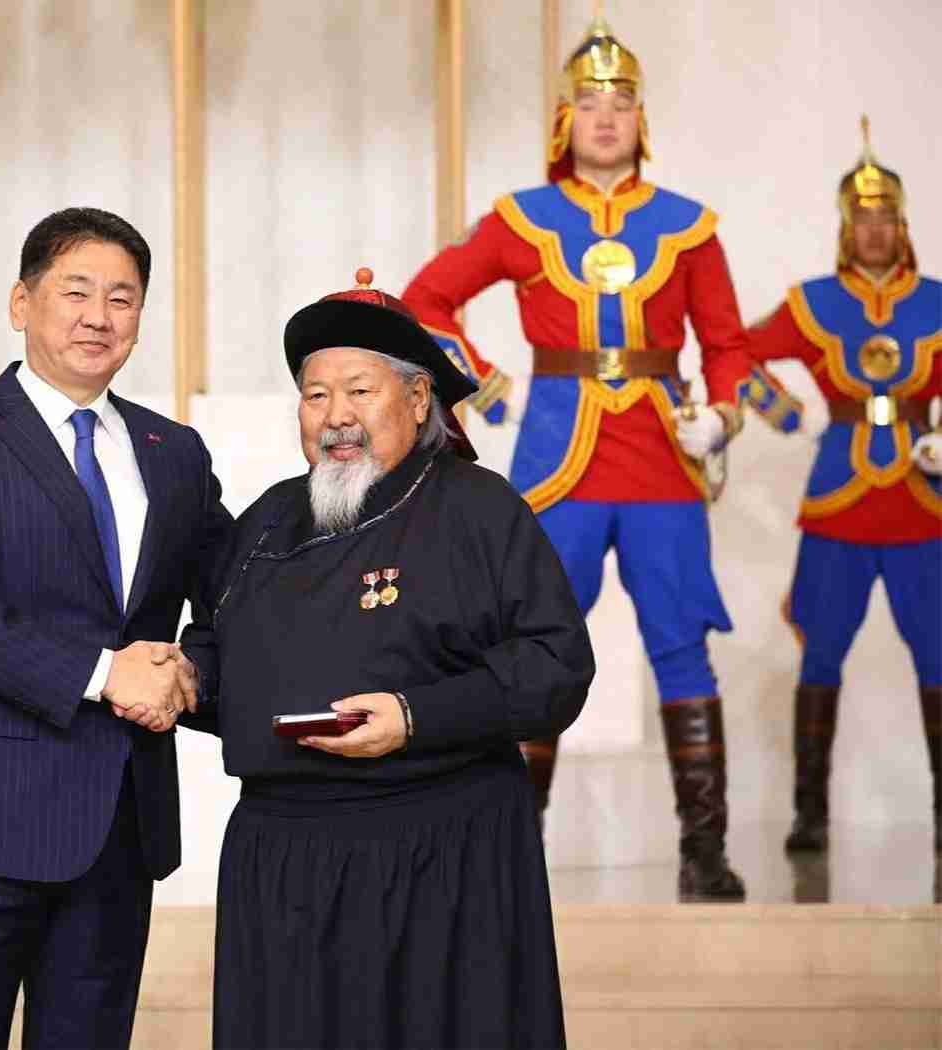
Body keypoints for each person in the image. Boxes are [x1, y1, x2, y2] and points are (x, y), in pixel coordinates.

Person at [176, 269, 591, 1049]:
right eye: (315, 395)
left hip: (443, 851)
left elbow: (556, 663)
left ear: (419, 398)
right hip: (284, 858)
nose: (336, 416)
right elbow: (225, 652)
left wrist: (413, 716)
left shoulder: (479, 507)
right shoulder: (266, 518)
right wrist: (180, 679)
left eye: (359, 391)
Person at [401, 14, 756, 899]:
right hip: (557, 459)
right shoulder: (522, 219)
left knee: (680, 643)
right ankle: (510, 849)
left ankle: (703, 853)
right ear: (565, 117)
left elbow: (726, 344)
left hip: (663, 461)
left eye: (621, 103)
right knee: (530, 648)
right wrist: (488, 386)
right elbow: (424, 301)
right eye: (590, 103)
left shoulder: (687, 226)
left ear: (641, 119)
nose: (605, 118)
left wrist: (720, 416)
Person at [0, 207, 232, 1050]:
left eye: (122, 298)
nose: (98, 317)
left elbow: (234, 596)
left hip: (120, 824)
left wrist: (188, 671)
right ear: (22, 303)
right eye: (75, 292)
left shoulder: (173, 451)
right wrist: (108, 672)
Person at [744, 117, 942, 852]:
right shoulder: (812, 301)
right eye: (861, 218)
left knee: (939, 658)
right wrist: (782, 412)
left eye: (885, 217)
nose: (874, 230)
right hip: (838, 503)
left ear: (902, 224)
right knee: (820, 653)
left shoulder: (937, 300)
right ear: (844, 227)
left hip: (924, 505)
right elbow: (735, 351)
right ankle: (811, 815)